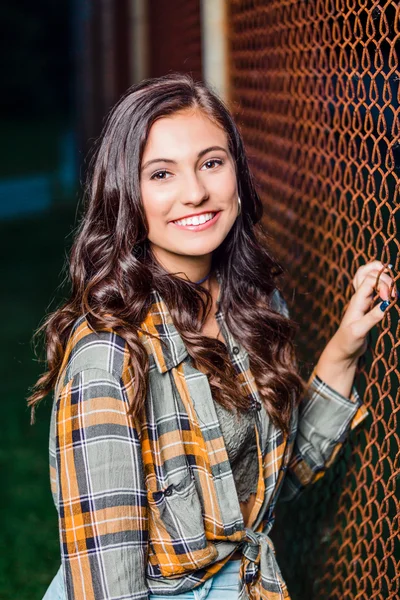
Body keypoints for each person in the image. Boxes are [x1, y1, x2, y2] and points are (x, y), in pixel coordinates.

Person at [29, 73, 396, 600]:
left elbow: (268, 482)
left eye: (211, 162)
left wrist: (346, 343)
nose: (196, 191)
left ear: (238, 176)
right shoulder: (108, 357)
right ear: (125, 196)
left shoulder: (254, 305)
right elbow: (107, 585)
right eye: (160, 174)